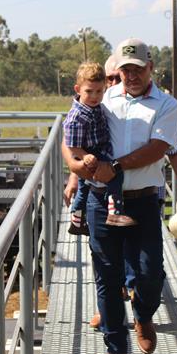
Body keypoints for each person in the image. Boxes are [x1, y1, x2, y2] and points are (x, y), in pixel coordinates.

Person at [63, 38, 177, 354]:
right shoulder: (103, 96)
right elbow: (69, 134)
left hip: (143, 200)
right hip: (102, 201)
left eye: (137, 69)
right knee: (107, 275)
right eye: (125, 69)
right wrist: (74, 168)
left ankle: (143, 314)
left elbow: (160, 146)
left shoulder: (166, 105)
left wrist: (114, 166)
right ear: (118, 70)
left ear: (150, 69)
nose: (130, 75)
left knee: (148, 273)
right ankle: (116, 349)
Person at [64, 62, 137, 231]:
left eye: (99, 91)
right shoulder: (77, 116)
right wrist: (83, 156)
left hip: (97, 150)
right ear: (78, 89)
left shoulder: (94, 107)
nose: (94, 96)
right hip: (92, 153)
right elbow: (71, 145)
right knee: (115, 175)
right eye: (89, 91)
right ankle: (115, 212)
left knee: (83, 188)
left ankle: (76, 222)